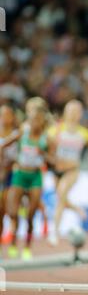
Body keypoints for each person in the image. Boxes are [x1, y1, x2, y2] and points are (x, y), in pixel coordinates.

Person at [0, 107, 54, 260]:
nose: (34, 124)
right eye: (31, 120)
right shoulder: (22, 134)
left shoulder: (46, 138)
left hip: (35, 177)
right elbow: (2, 145)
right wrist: (4, 166)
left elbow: (53, 160)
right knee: (11, 212)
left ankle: (27, 246)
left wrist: (43, 154)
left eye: (37, 120)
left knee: (31, 216)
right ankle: (13, 241)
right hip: (20, 174)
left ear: (42, 123)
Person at [47, 100, 88, 245]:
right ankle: (77, 209)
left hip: (73, 169)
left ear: (80, 114)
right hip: (57, 170)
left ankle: (54, 232)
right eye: (71, 111)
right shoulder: (55, 130)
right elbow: (48, 150)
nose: (74, 114)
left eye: (77, 111)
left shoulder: (84, 133)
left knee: (61, 194)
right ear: (65, 112)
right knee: (60, 198)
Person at [0, 104, 18, 256]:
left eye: (7, 115)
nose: (4, 118)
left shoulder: (17, 134)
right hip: (1, 175)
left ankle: (13, 242)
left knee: (11, 211)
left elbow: (21, 155)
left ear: (12, 118)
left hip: (13, 175)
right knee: (1, 211)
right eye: (2, 115)